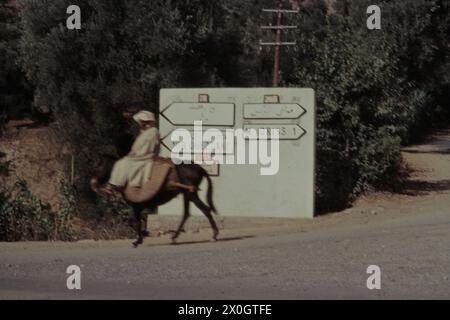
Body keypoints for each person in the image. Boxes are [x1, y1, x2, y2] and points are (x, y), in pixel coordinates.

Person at [100, 110, 196, 196]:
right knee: (123, 162)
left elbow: (148, 147)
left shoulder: (153, 132)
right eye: (141, 122)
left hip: (146, 156)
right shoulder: (146, 132)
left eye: (144, 122)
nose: (142, 124)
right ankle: (118, 185)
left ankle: (114, 186)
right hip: (141, 155)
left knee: (122, 163)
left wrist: (136, 154)